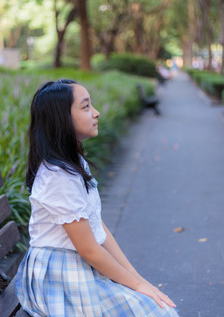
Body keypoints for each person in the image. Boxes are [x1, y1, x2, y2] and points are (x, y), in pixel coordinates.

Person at [15, 79, 180, 317]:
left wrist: (137, 279)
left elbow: (97, 227)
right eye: (86, 107)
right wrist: (139, 285)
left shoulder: (72, 163)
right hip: (59, 276)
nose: (96, 112)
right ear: (62, 118)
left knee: (154, 306)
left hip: (75, 266)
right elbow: (90, 250)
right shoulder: (58, 176)